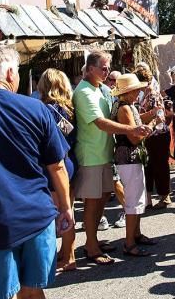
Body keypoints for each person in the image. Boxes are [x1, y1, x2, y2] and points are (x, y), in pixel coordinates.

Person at [0, 46, 73, 299]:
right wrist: (66, 207)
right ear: (11, 73)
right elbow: (57, 166)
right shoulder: (37, 109)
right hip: (37, 217)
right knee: (33, 292)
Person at [73, 50, 151, 265]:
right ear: (90, 69)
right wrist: (130, 130)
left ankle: (94, 241)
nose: (107, 71)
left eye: (108, 67)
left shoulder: (101, 88)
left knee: (101, 202)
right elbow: (100, 122)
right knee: (92, 203)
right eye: (103, 67)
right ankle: (90, 246)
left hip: (104, 154)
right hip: (91, 155)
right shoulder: (84, 92)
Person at [111, 74, 156, 256]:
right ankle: (129, 243)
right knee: (133, 201)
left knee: (136, 199)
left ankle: (135, 235)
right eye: (135, 89)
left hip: (128, 157)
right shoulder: (125, 109)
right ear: (128, 92)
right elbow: (134, 138)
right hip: (129, 157)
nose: (138, 92)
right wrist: (151, 126)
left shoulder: (124, 106)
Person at [37, 68, 78, 272]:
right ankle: (67, 252)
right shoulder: (68, 108)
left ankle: (69, 256)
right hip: (70, 162)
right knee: (67, 207)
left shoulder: (47, 110)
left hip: (55, 165)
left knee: (61, 211)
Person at [134, 66, 171, 210]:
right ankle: (148, 198)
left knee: (160, 165)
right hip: (147, 134)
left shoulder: (153, 94)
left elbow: (159, 116)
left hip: (158, 134)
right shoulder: (141, 94)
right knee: (148, 165)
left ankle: (164, 196)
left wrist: (146, 123)